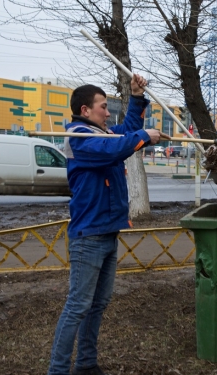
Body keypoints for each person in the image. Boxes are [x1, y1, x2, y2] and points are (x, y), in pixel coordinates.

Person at [47, 75, 170, 375]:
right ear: (85, 110)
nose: (107, 111)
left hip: (108, 232)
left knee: (97, 305)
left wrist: (137, 97)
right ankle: (58, 370)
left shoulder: (99, 132)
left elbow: (126, 132)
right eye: (103, 106)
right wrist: (144, 136)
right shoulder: (80, 137)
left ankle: (86, 364)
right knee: (78, 306)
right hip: (89, 236)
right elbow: (114, 149)